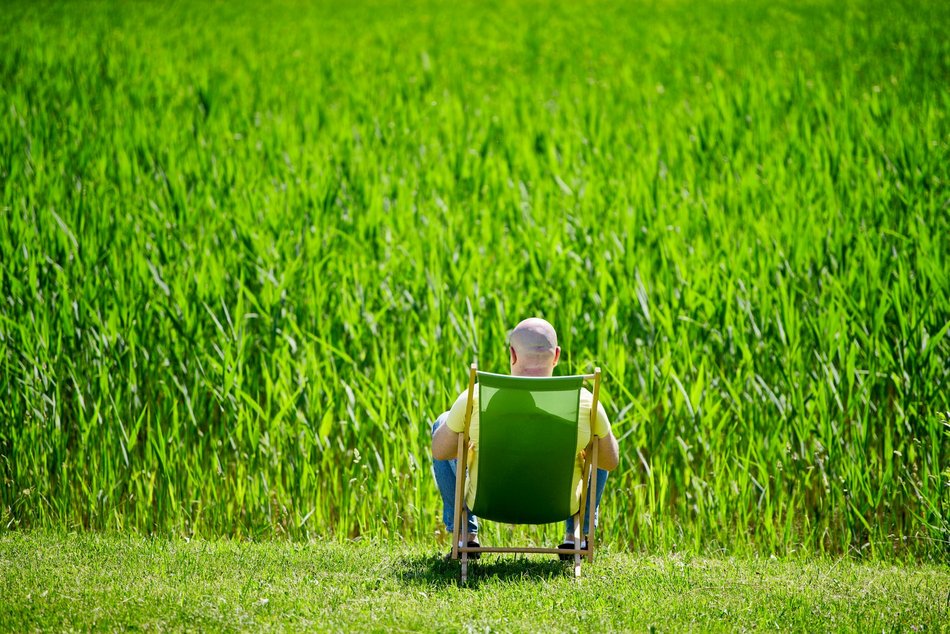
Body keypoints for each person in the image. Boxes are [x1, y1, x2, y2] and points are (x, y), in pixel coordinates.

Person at [430, 317, 620, 558]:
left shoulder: (475, 398)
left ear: (512, 354)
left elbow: (440, 450)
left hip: (488, 502)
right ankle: (577, 536)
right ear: (556, 356)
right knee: (599, 440)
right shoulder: (584, 402)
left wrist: (467, 445)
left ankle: (465, 534)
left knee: (443, 423)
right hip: (558, 505)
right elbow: (610, 461)